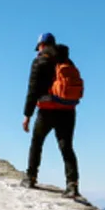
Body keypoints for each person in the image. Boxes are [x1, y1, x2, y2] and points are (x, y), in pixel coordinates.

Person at [22, 32, 81, 197]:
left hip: (46, 111)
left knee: (37, 143)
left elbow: (32, 90)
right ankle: (72, 185)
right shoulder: (67, 61)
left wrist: (27, 115)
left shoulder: (40, 61)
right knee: (66, 147)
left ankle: (31, 177)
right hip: (67, 111)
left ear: (41, 45)